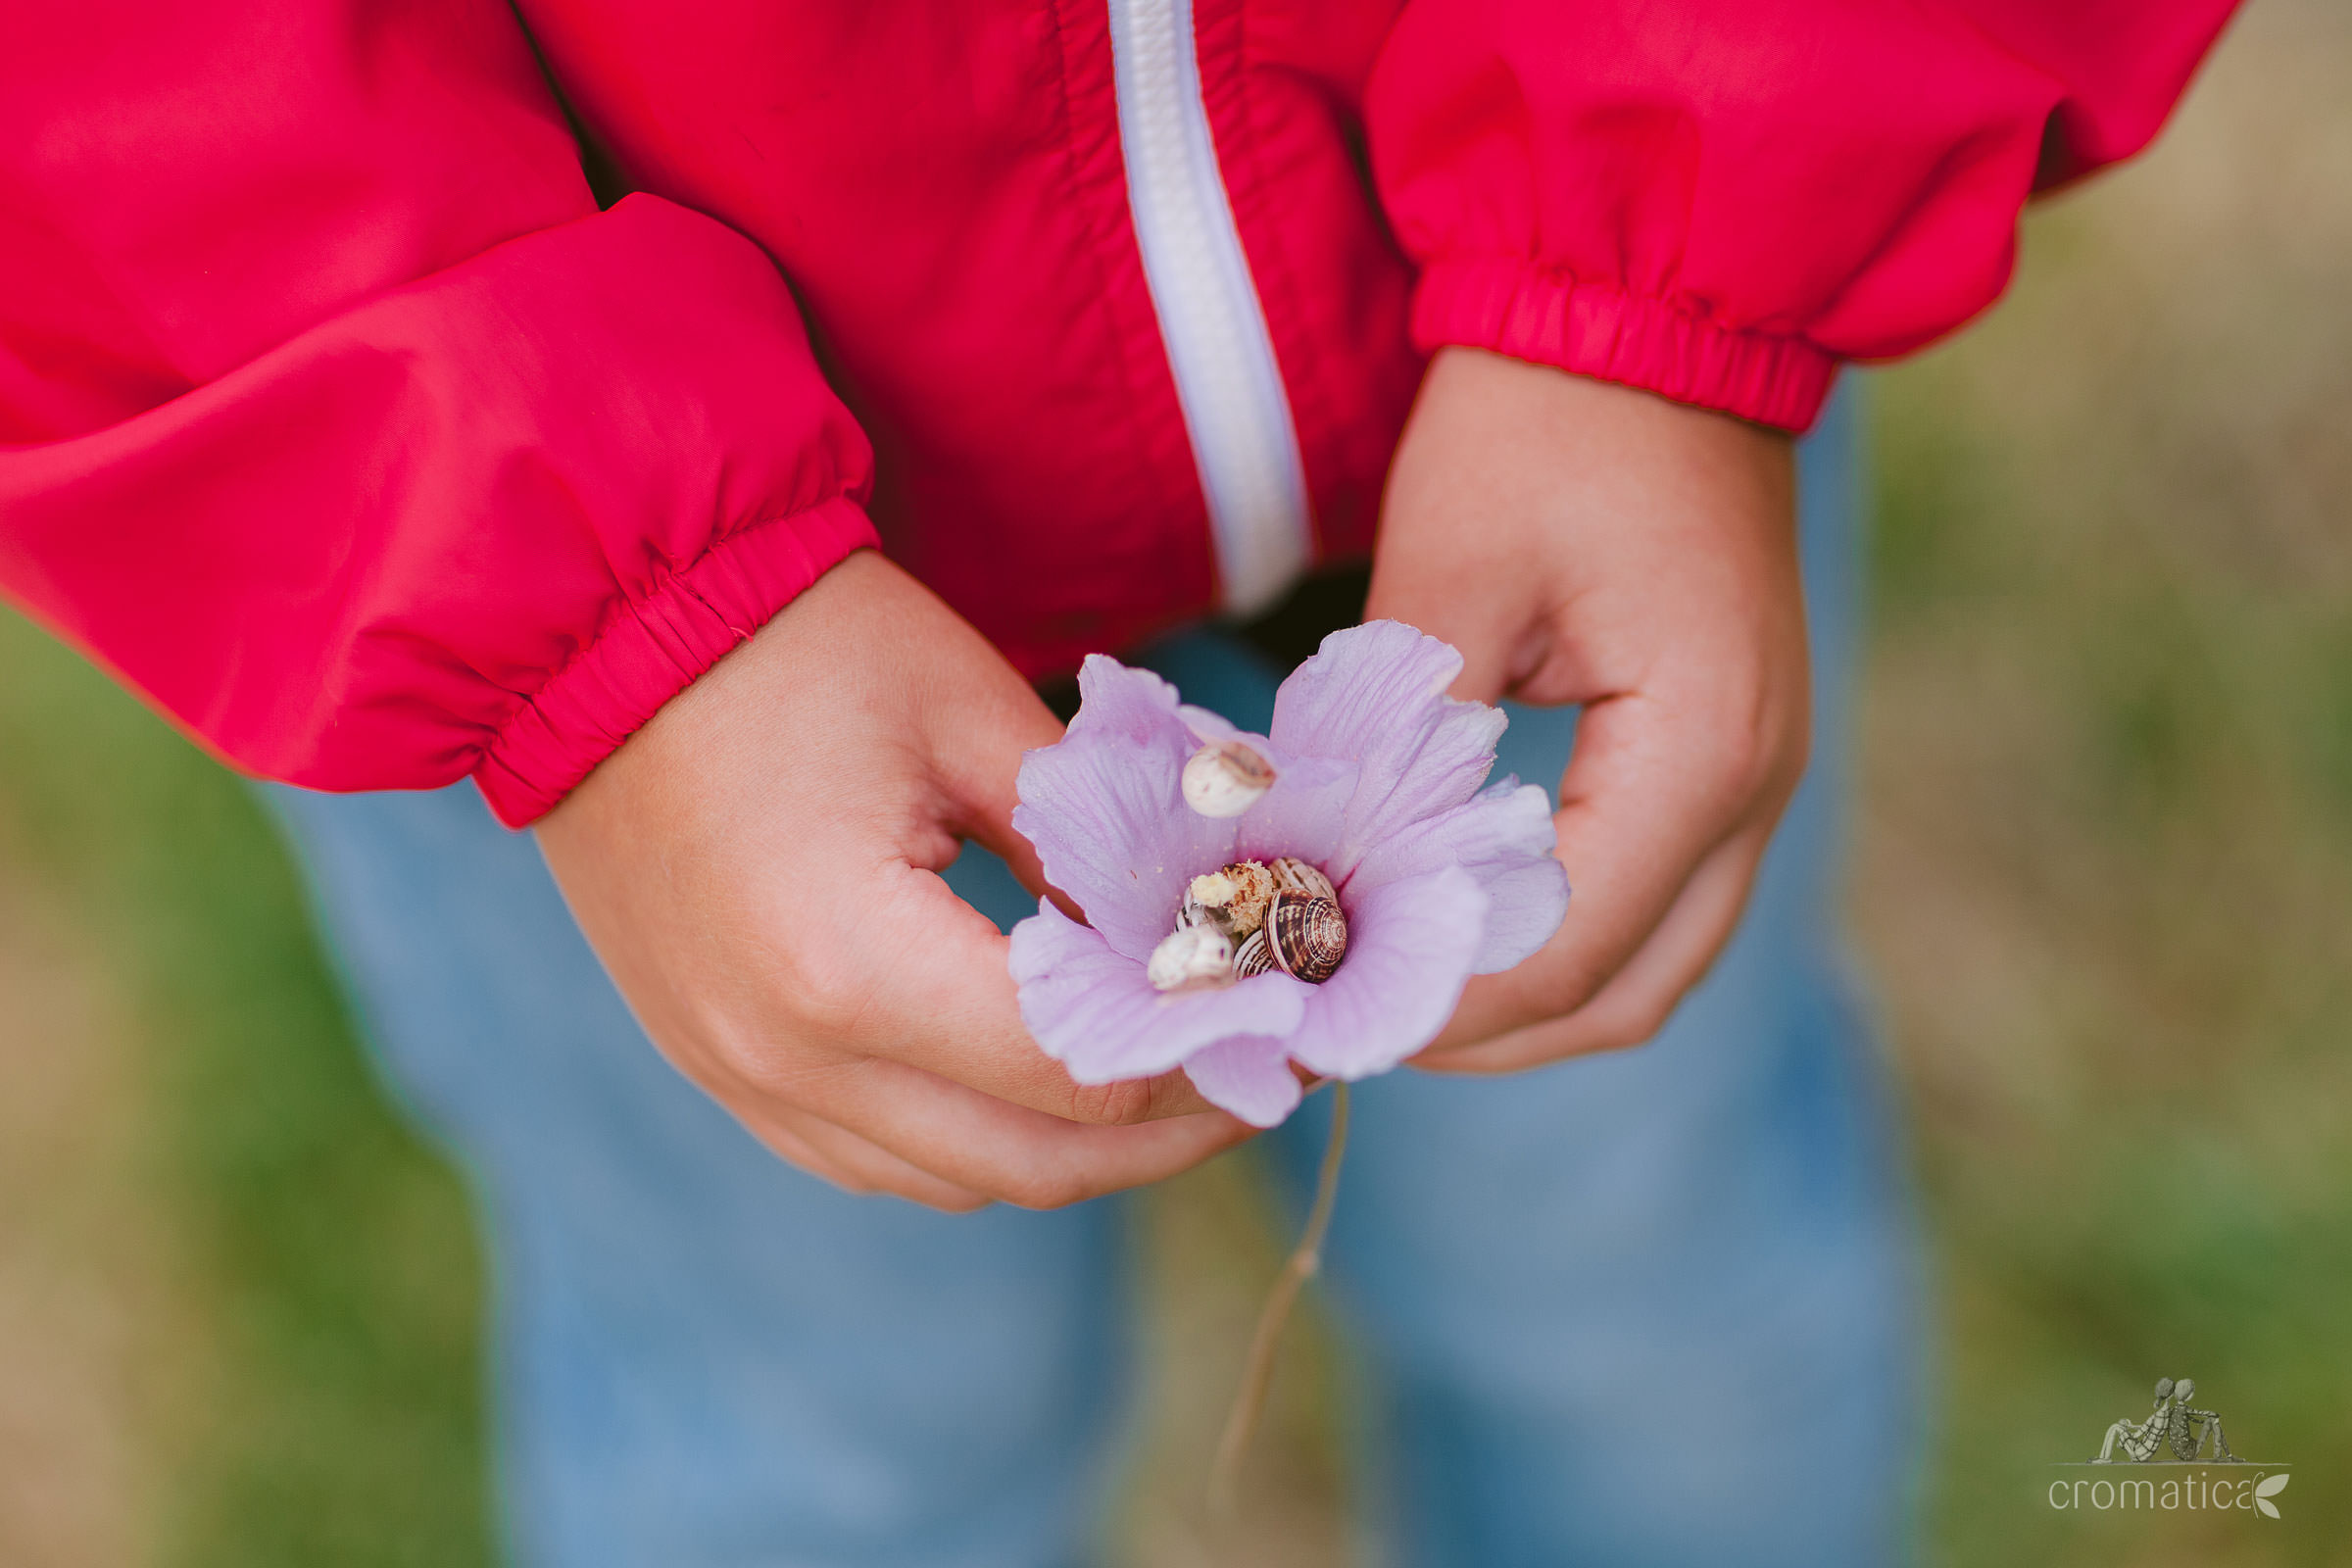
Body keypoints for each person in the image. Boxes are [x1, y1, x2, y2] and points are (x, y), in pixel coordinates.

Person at [2, 3, 2237, 1562]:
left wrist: (1685, 210)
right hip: (557, 565)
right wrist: (574, 580)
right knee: (815, 1429)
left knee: (1642, 1291)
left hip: (1535, 396)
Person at [2094, 1379, 2177, 1463]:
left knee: (2115, 1427)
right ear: (2171, 1395)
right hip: (2145, 1453)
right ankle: (2104, 1458)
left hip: (2138, 1454)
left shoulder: (2156, 1416)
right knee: (2116, 1427)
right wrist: (2132, 1427)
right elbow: (2149, 1428)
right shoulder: (2167, 1414)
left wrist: (2125, 1436)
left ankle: (2105, 1458)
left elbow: (2138, 1434)